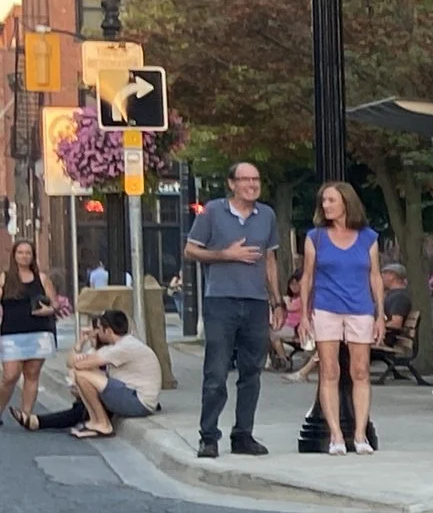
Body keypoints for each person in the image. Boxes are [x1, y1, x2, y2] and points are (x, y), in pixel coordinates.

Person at [182, 160, 282, 458]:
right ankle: (209, 436)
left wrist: (276, 300)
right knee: (216, 370)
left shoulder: (267, 215)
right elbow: (189, 250)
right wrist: (225, 255)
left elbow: (270, 261)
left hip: (255, 302)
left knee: (252, 371)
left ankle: (243, 435)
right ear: (232, 184)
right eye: (245, 179)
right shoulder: (213, 211)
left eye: (256, 179)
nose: (252, 185)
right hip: (221, 300)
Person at [299, 180, 385, 454]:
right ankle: (335, 434)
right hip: (326, 307)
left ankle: (360, 434)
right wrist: (303, 315)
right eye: (323, 201)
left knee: (360, 371)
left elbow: (375, 276)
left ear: (347, 202)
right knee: (329, 370)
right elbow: (307, 277)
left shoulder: (368, 237)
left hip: (360, 308)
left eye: (331, 200)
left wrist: (380, 314)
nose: (326, 206)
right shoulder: (316, 237)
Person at [36, 309, 159, 438]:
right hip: (131, 394)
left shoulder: (123, 347)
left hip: (138, 401)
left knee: (82, 374)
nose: (97, 332)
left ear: (108, 331)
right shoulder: (119, 344)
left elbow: (78, 365)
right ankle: (96, 422)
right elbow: (71, 363)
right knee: (82, 374)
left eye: (99, 329)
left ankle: (102, 424)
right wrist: (81, 342)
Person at [2, 239, 63, 430]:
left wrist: (49, 310)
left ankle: (26, 415)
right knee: (10, 376)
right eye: (20, 252)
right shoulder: (4, 278)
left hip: (39, 332)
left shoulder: (42, 279)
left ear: (33, 256)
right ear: (14, 255)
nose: (24, 256)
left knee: (32, 374)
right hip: (11, 333)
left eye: (28, 253)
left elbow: (55, 304)